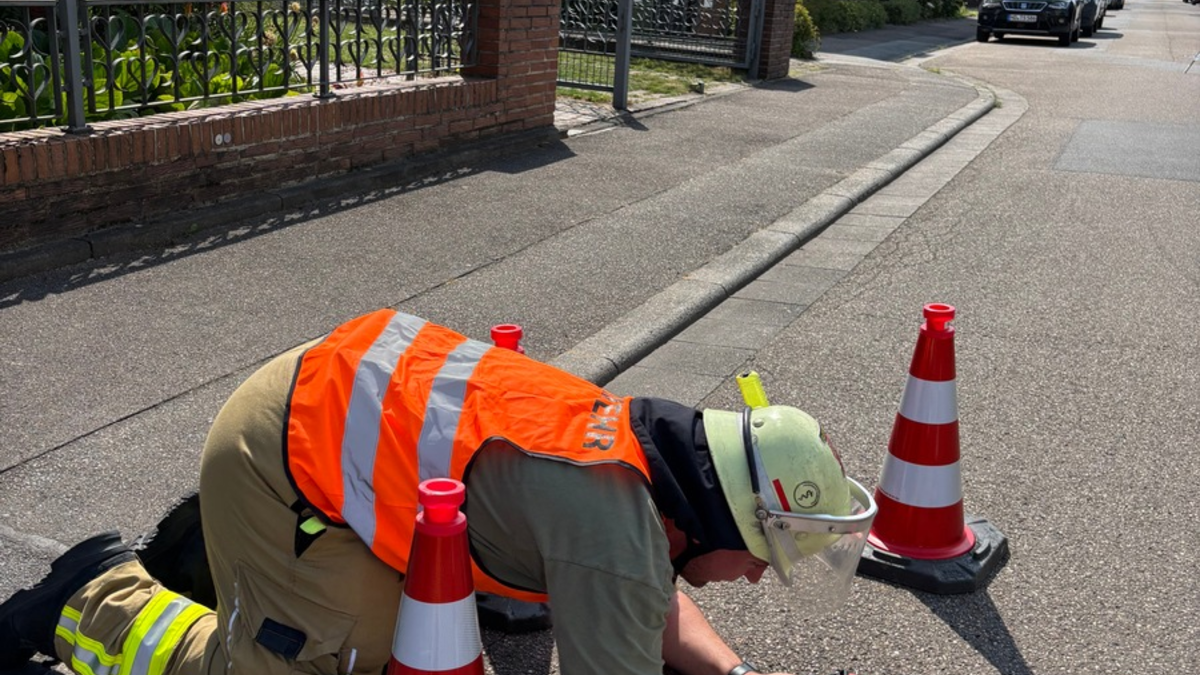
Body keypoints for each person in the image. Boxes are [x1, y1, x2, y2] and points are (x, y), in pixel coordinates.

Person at [0, 308, 876, 675]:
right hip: (279, 456)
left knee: (394, 643)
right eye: (767, 554)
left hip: (327, 417)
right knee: (333, 657)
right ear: (722, 514)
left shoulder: (642, 469)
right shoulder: (616, 530)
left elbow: (648, 600)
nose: (760, 577)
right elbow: (627, 590)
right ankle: (92, 591)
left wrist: (730, 670)